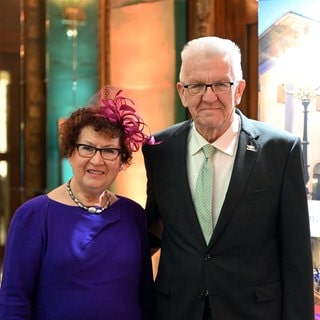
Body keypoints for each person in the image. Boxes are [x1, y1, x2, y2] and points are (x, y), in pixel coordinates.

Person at [142, 36, 314, 320]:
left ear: (239, 90)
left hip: (252, 312)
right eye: (196, 85)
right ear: (182, 92)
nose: (208, 96)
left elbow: (296, 256)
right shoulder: (159, 149)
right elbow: (153, 229)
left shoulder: (281, 150)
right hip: (177, 310)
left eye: (222, 84)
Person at [0, 87, 155, 320]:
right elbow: (13, 301)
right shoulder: (33, 216)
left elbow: (145, 296)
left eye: (110, 151)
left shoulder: (133, 214)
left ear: (122, 161)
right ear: (70, 151)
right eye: (87, 148)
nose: (97, 159)